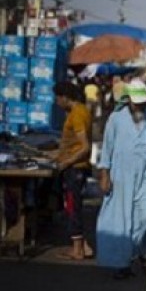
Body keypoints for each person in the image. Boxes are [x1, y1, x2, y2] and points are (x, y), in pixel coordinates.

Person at [96, 80, 146, 279]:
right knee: (123, 220)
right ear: (128, 100)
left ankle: (145, 254)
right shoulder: (116, 118)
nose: (139, 106)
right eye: (135, 102)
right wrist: (104, 174)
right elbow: (107, 147)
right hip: (121, 175)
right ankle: (124, 260)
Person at [51, 81, 93, 261]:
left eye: (58, 99)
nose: (57, 103)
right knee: (71, 207)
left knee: (73, 207)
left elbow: (85, 147)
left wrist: (65, 162)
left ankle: (77, 250)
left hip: (75, 169)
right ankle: (83, 246)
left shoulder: (77, 114)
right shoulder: (79, 111)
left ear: (65, 97)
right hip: (74, 167)